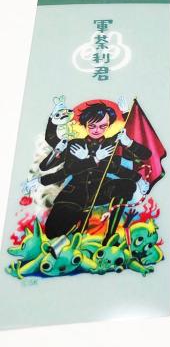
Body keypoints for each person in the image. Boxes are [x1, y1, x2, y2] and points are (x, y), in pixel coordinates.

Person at [25, 100, 151, 243]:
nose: (97, 130)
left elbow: (145, 154)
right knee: (53, 231)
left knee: (126, 186)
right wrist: (53, 120)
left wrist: (129, 140)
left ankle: (110, 236)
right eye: (92, 126)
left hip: (102, 189)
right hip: (74, 192)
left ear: (109, 125)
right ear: (85, 125)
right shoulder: (75, 144)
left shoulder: (113, 142)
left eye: (102, 126)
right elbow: (64, 169)